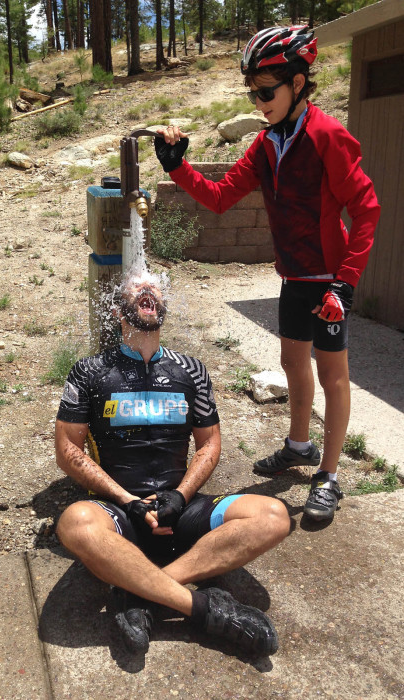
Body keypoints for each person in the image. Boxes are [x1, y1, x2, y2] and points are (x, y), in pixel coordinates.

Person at [154, 26, 380, 522]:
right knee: (293, 364)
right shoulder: (266, 143)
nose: (259, 101)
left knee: (333, 376)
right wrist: (178, 167)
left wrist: (345, 282)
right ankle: (298, 445)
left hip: (328, 282)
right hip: (294, 277)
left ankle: (329, 475)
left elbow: (367, 209)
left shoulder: (327, 136)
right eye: (252, 92)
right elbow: (219, 198)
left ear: (298, 84)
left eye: (266, 90)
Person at [55, 271, 290, 656]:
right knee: (73, 524)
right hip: (120, 513)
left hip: (181, 510)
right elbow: (67, 450)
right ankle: (201, 608)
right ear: (116, 310)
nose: (148, 289)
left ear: (163, 306)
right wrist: (127, 500)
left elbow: (210, 442)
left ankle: (141, 593)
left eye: (155, 287)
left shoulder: (191, 370)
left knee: (274, 516)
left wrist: (180, 497)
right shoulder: (90, 371)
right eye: (137, 286)